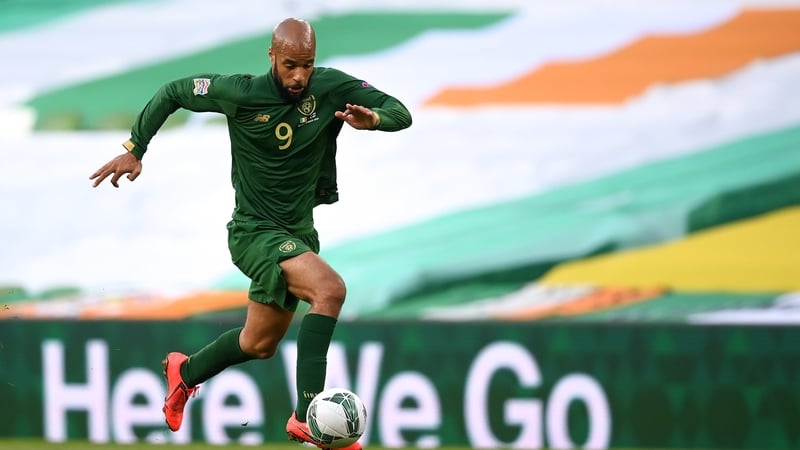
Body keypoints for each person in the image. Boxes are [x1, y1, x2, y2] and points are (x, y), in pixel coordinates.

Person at [89, 17, 412, 449]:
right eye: (291, 65)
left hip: (298, 235)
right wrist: (135, 148)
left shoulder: (331, 87)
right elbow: (172, 92)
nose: (300, 76)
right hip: (253, 233)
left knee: (258, 343)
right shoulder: (239, 92)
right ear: (272, 56)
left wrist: (373, 120)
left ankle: (184, 374)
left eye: (308, 66)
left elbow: (400, 112)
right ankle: (308, 416)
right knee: (330, 290)